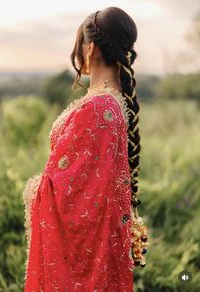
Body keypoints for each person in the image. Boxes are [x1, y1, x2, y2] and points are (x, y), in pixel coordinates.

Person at [22, 6, 149, 292]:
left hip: (86, 254)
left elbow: (72, 199)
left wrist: (34, 190)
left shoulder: (97, 109)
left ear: (89, 47)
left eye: (79, 44)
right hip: (105, 242)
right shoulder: (113, 103)